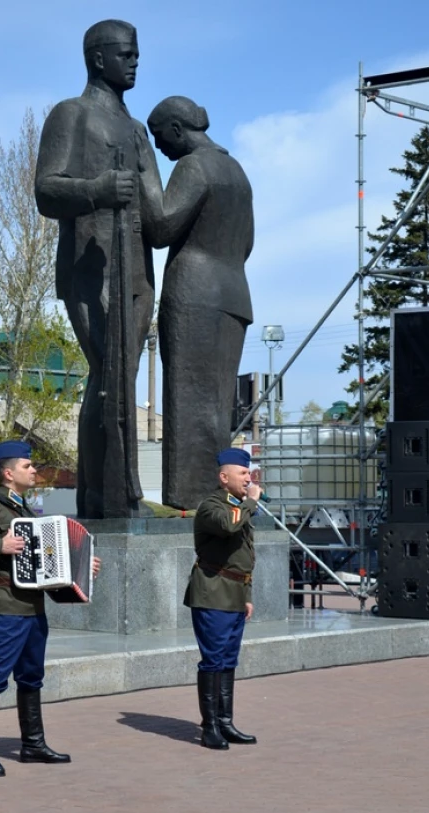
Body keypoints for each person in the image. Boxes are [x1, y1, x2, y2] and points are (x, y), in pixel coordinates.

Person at [35, 20, 157, 518]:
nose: (134, 61)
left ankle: (110, 492)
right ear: (98, 58)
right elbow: (46, 190)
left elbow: (159, 211)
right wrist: (97, 190)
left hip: (138, 274)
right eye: (126, 53)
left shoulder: (136, 129)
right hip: (91, 268)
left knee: (119, 379)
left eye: (136, 53)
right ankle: (103, 495)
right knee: (108, 376)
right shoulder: (72, 115)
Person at [0, 440, 100, 777]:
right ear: (8, 472)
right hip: (6, 606)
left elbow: (47, 558)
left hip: (33, 608)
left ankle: (33, 744)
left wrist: (81, 564)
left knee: (31, 677)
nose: (34, 470)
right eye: (27, 466)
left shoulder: (24, 509)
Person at [138, 96, 255, 511]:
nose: (162, 150)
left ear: (174, 129)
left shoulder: (195, 166)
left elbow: (161, 225)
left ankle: (190, 498)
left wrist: (144, 171)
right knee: (216, 406)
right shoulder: (236, 171)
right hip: (234, 295)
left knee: (188, 402)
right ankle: (214, 492)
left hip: (195, 296)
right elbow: (247, 243)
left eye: (159, 139)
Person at [183, 447, 261, 750]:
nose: (248, 478)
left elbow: (244, 558)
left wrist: (248, 594)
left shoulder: (238, 506)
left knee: (229, 660)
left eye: (249, 473)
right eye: (243, 473)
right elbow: (229, 525)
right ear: (223, 477)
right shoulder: (211, 506)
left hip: (235, 594)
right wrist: (252, 501)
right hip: (213, 592)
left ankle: (226, 722)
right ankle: (210, 726)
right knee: (213, 661)